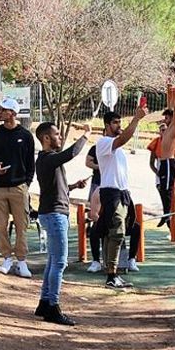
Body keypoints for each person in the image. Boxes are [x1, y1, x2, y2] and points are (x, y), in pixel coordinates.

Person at [33, 121, 90, 326]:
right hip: (55, 215)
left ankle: (44, 302)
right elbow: (71, 153)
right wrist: (86, 134)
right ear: (46, 139)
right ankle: (53, 308)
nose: (59, 137)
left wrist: (74, 186)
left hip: (53, 213)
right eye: (56, 134)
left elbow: (56, 189)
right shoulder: (48, 159)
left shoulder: (47, 161)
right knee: (59, 263)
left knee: (52, 261)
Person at [94, 106, 149, 289]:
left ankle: (113, 272)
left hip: (122, 193)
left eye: (120, 122)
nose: (119, 125)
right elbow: (124, 138)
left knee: (118, 233)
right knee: (116, 233)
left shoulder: (118, 149)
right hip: (111, 194)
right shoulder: (103, 143)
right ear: (107, 125)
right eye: (116, 122)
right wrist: (136, 119)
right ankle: (111, 274)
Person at [0, 97, 35, 278]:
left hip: (19, 187)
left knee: (22, 225)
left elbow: (30, 162)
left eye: (4, 110)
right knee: (1, 224)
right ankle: (6, 258)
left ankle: (21, 261)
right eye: (0, 109)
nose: (0, 112)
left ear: (12, 113)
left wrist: (27, 183)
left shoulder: (25, 136)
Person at [84, 143, 104, 273]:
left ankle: (127, 260)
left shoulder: (118, 147)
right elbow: (88, 162)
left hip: (112, 184)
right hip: (97, 182)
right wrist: (100, 166)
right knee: (94, 217)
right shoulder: (96, 147)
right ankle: (96, 260)